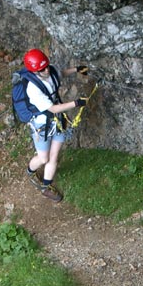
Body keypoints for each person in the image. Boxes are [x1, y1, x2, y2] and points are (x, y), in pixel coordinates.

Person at [21, 48, 88, 202]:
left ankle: (46, 186)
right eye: (42, 69)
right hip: (41, 126)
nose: (46, 70)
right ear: (35, 71)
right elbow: (53, 108)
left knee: (54, 156)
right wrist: (76, 103)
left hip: (57, 121)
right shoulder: (33, 89)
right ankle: (30, 170)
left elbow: (60, 74)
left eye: (46, 66)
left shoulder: (48, 71)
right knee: (43, 158)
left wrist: (77, 70)